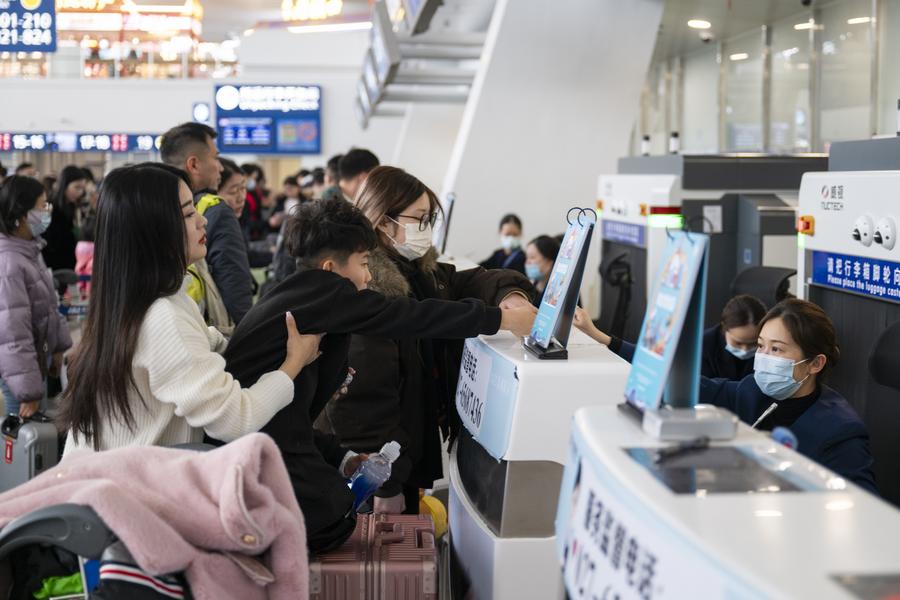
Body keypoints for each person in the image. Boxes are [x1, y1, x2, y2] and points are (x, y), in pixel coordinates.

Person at [219, 197, 535, 550]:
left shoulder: (295, 294)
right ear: (329, 268)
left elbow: (291, 419)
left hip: (257, 445)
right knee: (332, 516)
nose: (369, 276)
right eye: (364, 263)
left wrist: (342, 459)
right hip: (253, 453)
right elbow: (410, 316)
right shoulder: (326, 292)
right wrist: (501, 320)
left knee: (334, 512)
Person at [58, 163, 322, 452]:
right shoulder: (163, 316)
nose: (203, 221)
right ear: (153, 230)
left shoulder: (144, 302)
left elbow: (213, 342)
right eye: (187, 213)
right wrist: (294, 363)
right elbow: (236, 419)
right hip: (128, 491)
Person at [323, 166, 535, 513]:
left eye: (429, 220)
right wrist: (383, 484)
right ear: (383, 221)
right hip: (375, 472)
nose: (425, 231)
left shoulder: (420, 274)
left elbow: (470, 282)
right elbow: (361, 402)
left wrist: (509, 295)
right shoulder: (367, 289)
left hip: (404, 455)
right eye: (419, 219)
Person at [573, 298, 878, 494]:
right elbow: (692, 385)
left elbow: (861, 509)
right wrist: (605, 340)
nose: (764, 357)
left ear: (815, 363)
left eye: (777, 349)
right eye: (761, 346)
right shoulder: (752, 391)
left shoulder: (840, 431)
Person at [161, 123, 254, 325]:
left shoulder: (156, 210)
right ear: (193, 164)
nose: (220, 166)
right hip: (211, 336)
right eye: (215, 157)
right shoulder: (216, 211)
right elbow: (236, 288)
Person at [0, 176, 72, 417]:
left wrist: (58, 348)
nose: (47, 211)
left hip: (34, 364)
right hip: (17, 374)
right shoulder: (9, 262)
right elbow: (12, 332)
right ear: (21, 216)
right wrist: (28, 391)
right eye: (42, 206)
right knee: (19, 444)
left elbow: (49, 304)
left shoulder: (30, 251)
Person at [701, 294, 766, 380]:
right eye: (738, 343)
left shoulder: (770, 348)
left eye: (754, 343)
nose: (745, 350)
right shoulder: (703, 346)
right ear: (724, 329)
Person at [41, 165, 89, 272]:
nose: (80, 192)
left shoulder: (74, 207)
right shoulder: (51, 207)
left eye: (82, 188)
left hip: (69, 264)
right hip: (54, 266)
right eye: (77, 187)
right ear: (65, 185)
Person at [524, 235, 560, 308]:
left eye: (532, 257)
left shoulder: (561, 292)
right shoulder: (529, 288)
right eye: (527, 257)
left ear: (550, 261)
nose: (527, 262)